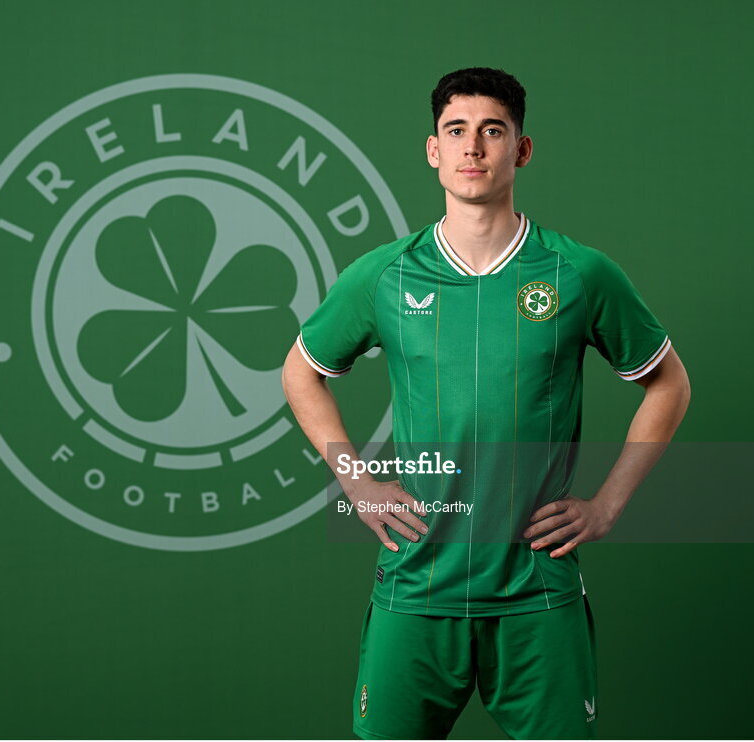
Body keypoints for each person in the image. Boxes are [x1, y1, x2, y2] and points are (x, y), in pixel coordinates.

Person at [281, 67, 691, 740]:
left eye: (492, 131)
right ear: (433, 150)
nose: (473, 147)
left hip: (536, 588)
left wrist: (608, 501)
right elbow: (301, 372)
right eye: (457, 131)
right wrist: (356, 481)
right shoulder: (387, 274)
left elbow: (669, 381)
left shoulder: (579, 273)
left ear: (521, 151)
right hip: (418, 584)